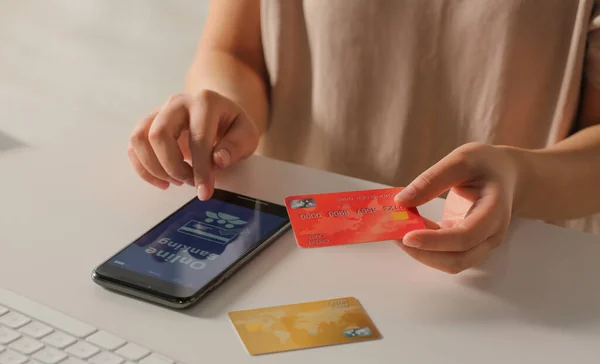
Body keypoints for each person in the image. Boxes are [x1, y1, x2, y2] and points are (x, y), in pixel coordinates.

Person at [127, 0, 600, 274]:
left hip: (509, 269)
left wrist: (519, 176)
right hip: (286, 251)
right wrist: (225, 110)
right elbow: (234, 49)